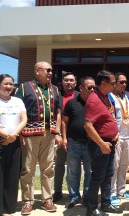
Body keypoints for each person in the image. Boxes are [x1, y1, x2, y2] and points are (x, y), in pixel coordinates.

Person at [15, 62, 63, 215]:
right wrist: (20, 133)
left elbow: (58, 113)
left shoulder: (55, 89)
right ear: (37, 71)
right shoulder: (24, 87)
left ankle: (47, 199)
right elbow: (17, 111)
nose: (50, 72)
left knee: (48, 168)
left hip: (49, 135)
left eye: (50, 70)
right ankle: (27, 201)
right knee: (28, 169)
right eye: (47, 70)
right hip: (29, 135)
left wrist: (57, 133)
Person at [0, 74, 27, 216]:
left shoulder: (18, 101)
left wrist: (13, 136)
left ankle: (8, 210)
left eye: (11, 84)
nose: (9, 87)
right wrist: (6, 136)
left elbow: (24, 119)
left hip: (14, 142)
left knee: (12, 176)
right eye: (6, 84)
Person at [84, 70, 123, 216]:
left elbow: (108, 118)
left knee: (108, 175)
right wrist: (101, 143)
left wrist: (115, 134)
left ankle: (105, 203)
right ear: (103, 83)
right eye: (112, 83)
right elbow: (88, 126)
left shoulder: (106, 97)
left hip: (109, 142)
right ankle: (91, 208)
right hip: (99, 144)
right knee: (98, 176)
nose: (115, 86)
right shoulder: (94, 99)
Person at [63, 76, 95, 209]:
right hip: (74, 142)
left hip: (90, 143)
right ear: (81, 88)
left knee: (90, 171)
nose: (93, 90)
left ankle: (87, 196)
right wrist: (64, 138)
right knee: (73, 172)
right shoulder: (71, 103)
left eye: (94, 87)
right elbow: (64, 122)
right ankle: (74, 196)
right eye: (89, 87)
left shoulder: (97, 103)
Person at [108, 73, 129, 205]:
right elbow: (109, 116)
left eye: (125, 82)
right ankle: (111, 193)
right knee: (115, 166)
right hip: (116, 137)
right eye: (121, 82)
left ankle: (121, 190)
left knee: (124, 165)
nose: (124, 84)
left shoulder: (128, 95)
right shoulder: (109, 96)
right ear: (115, 83)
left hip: (127, 136)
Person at [53, 72, 79, 202]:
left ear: (75, 82)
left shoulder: (81, 96)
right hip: (59, 137)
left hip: (76, 138)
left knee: (73, 167)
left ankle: (73, 194)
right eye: (66, 80)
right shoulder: (57, 97)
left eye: (71, 80)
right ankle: (57, 191)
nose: (68, 82)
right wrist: (58, 134)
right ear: (62, 82)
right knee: (59, 164)